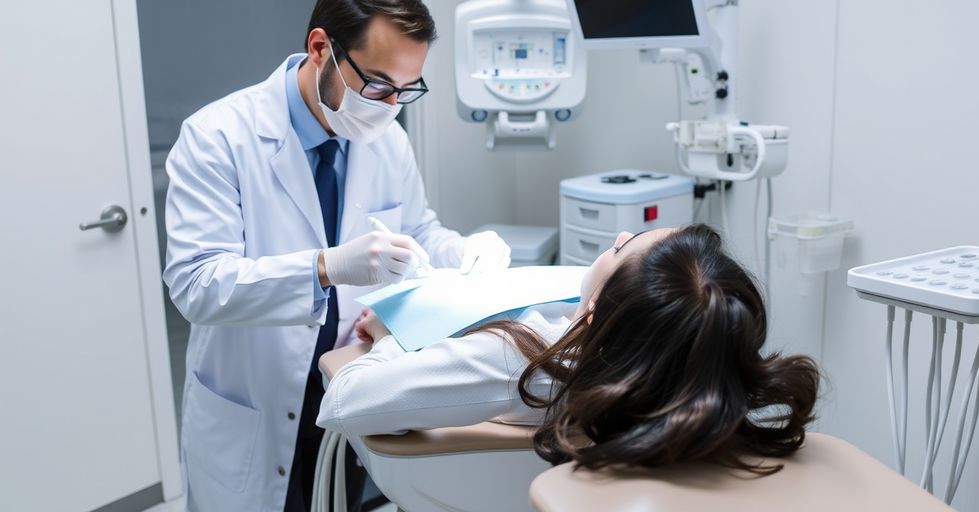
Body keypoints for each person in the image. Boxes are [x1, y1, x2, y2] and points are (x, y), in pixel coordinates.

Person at [162, 1, 511, 510]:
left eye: (405, 89)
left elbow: (416, 232)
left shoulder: (385, 138)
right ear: (321, 48)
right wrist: (327, 267)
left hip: (350, 385)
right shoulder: (218, 137)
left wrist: (464, 250)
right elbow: (198, 284)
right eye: (377, 84)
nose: (391, 105)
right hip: (255, 394)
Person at [317, 224, 821, 474]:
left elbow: (343, 402)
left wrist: (388, 337)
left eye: (624, 247)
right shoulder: (686, 364)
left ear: (597, 311)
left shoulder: (521, 357)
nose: (620, 234)